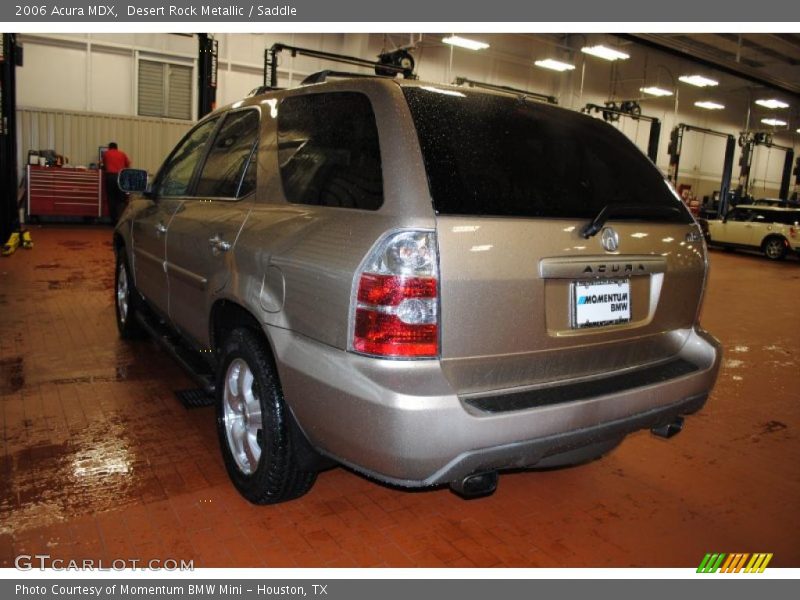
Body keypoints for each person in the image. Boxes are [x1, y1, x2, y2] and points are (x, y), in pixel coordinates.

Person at [101, 142, 131, 224]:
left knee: (111, 199)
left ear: (109, 148)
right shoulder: (122, 154)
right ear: (117, 148)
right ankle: (121, 219)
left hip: (110, 177)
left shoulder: (106, 154)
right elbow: (128, 165)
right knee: (122, 199)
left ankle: (113, 220)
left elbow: (102, 165)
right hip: (121, 177)